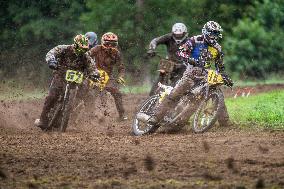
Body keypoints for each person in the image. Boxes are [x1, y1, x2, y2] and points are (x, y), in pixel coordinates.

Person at [148, 21, 233, 127]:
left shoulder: (217, 48)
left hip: (205, 76)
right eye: (212, 33)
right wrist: (190, 59)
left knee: (215, 91)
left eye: (216, 34)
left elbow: (220, 66)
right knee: (175, 94)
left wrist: (225, 76)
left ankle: (225, 122)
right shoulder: (195, 40)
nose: (214, 36)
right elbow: (181, 52)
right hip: (190, 74)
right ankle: (156, 117)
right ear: (206, 32)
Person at [34, 34, 99, 130]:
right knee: (52, 96)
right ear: (75, 45)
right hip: (61, 75)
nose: (82, 51)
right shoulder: (64, 49)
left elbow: (92, 67)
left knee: (83, 97)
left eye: (84, 49)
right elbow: (51, 53)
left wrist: (95, 75)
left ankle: (66, 118)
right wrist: (51, 61)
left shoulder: (86, 56)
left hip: (77, 80)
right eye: (80, 49)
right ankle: (42, 120)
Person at [88, 32, 127, 121]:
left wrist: (121, 77)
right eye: (107, 44)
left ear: (116, 45)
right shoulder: (96, 49)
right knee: (89, 93)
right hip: (94, 74)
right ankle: (87, 113)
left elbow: (121, 67)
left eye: (113, 44)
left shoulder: (117, 53)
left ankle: (122, 114)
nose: (110, 46)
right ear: (103, 43)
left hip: (108, 76)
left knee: (117, 93)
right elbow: (87, 56)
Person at [147, 23, 190, 95]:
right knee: (161, 73)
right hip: (169, 62)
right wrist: (151, 49)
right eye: (176, 34)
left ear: (184, 33)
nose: (178, 36)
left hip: (183, 64)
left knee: (179, 81)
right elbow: (155, 41)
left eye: (180, 34)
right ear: (173, 33)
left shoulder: (189, 41)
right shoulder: (168, 37)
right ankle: (153, 93)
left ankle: (173, 95)